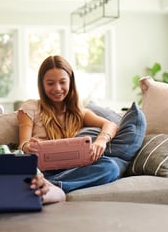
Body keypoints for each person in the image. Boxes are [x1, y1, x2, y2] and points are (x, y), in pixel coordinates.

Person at [17, 55, 120, 193]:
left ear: (70, 82)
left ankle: (53, 186)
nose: (57, 88)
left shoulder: (80, 112)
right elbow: (22, 144)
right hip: (43, 168)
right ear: (42, 84)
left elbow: (110, 125)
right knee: (23, 169)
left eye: (62, 82)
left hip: (72, 169)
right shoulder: (30, 107)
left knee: (111, 167)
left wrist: (101, 141)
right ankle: (50, 184)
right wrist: (28, 146)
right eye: (50, 83)